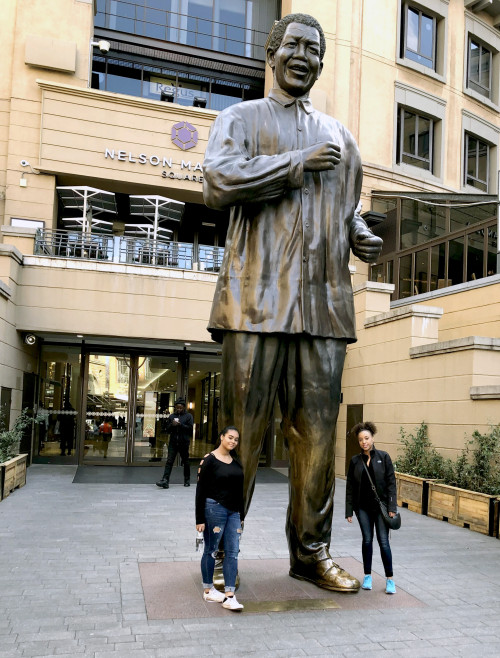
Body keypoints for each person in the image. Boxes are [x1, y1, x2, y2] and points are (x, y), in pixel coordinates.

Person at [203, 13, 383, 591]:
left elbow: (344, 206)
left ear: (322, 63)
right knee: (243, 433)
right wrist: (294, 164)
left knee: (317, 434)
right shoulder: (241, 119)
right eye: (294, 45)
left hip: (324, 307)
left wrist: (359, 234)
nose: (304, 55)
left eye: (315, 49)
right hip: (256, 301)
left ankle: (310, 551)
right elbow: (218, 182)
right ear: (273, 54)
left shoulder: (342, 137)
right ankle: (222, 545)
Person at [195, 426, 244, 611]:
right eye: (230, 437)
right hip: (214, 509)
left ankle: (230, 595)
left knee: (232, 552)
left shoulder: (236, 462)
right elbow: (200, 491)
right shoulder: (209, 460)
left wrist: (241, 515)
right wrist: (199, 519)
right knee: (211, 550)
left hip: (234, 512)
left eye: (236, 439)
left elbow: (240, 491)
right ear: (222, 437)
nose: (233, 441)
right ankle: (208, 590)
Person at [345, 422, 397, 595]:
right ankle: (367, 576)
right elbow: (350, 486)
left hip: (381, 509)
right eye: (361, 440)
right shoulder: (354, 461)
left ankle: (390, 579)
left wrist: (392, 507)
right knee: (367, 540)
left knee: (383, 542)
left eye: (366, 438)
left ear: (372, 438)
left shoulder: (384, 457)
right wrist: (349, 510)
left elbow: (391, 484)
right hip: (363, 509)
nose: (364, 442)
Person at [156, 398, 194, 488]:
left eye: (181, 408)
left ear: (184, 408)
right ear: (175, 407)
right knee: (169, 461)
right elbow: (167, 429)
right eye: (177, 408)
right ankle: (165, 480)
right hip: (173, 442)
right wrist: (172, 425)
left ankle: (187, 479)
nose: (179, 409)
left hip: (184, 442)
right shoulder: (172, 416)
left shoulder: (188, 416)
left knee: (185, 461)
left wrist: (180, 425)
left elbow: (190, 428)